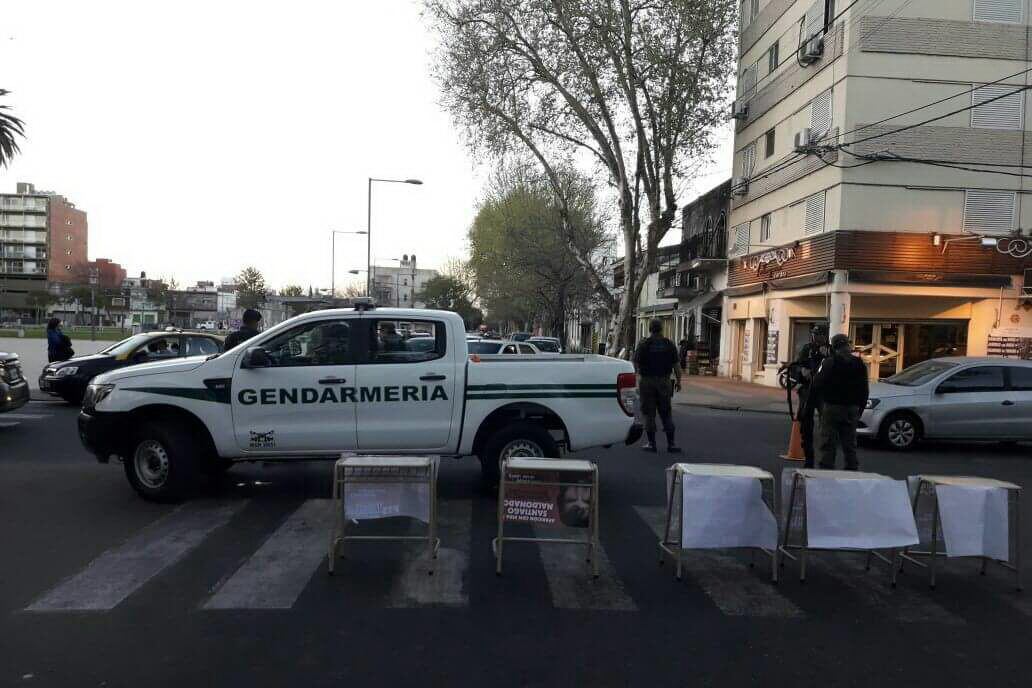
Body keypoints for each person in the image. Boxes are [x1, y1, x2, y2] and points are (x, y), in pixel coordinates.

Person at [812, 333, 869, 470]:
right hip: (852, 408)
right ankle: (851, 472)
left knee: (828, 443)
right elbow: (864, 389)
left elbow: (817, 383)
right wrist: (859, 409)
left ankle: (826, 472)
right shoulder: (859, 363)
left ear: (834, 347)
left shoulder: (829, 362)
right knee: (850, 445)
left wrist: (819, 403)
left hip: (832, 407)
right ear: (848, 345)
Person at [633, 318, 683, 453]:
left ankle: (651, 443)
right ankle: (671, 443)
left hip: (647, 381)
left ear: (650, 329)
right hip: (664, 381)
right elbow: (677, 366)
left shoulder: (644, 344)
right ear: (661, 329)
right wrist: (679, 381)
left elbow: (636, 364)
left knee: (649, 413)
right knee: (666, 412)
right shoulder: (669, 345)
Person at [794, 324, 830, 468]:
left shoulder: (830, 350)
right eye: (814, 334)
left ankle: (825, 461)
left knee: (826, 427)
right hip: (808, 390)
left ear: (825, 336)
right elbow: (797, 365)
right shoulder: (807, 349)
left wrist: (827, 355)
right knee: (805, 425)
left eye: (819, 334)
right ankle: (809, 459)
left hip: (823, 392)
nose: (815, 337)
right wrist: (801, 370)